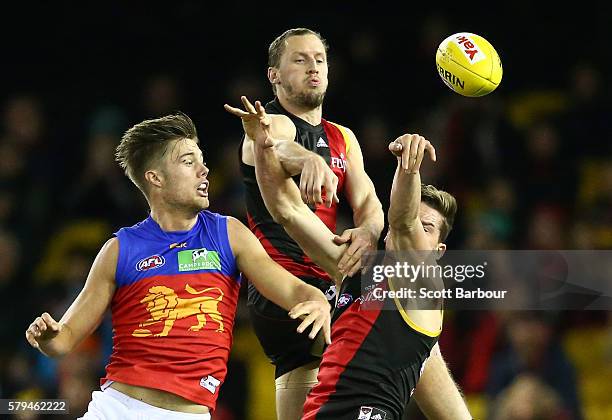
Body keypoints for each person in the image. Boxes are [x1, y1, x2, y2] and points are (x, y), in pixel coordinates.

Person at [25, 112, 332, 420]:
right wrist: (48, 337)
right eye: (188, 162)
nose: (204, 170)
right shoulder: (120, 249)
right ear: (155, 178)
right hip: (117, 408)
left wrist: (317, 301)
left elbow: (294, 289)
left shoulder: (228, 234)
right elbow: (64, 341)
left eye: (202, 160)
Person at [226, 98, 472, 419]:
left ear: (437, 253)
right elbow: (286, 210)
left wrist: (408, 170)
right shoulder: (355, 270)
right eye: (417, 219)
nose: (416, 230)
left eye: (428, 228)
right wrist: (262, 144)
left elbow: (402, 223)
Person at [237, 27, 385, 419]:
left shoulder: (343, 137)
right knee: (396, 332)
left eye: (319, 59)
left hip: (326, 280)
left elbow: (369, 200)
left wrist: (368, 231)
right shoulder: (268, 123)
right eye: (299, 60)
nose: (313, 67)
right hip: (283, 287)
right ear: (274, 75)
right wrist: (308, 160)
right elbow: (277, 146)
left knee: (304, 391)